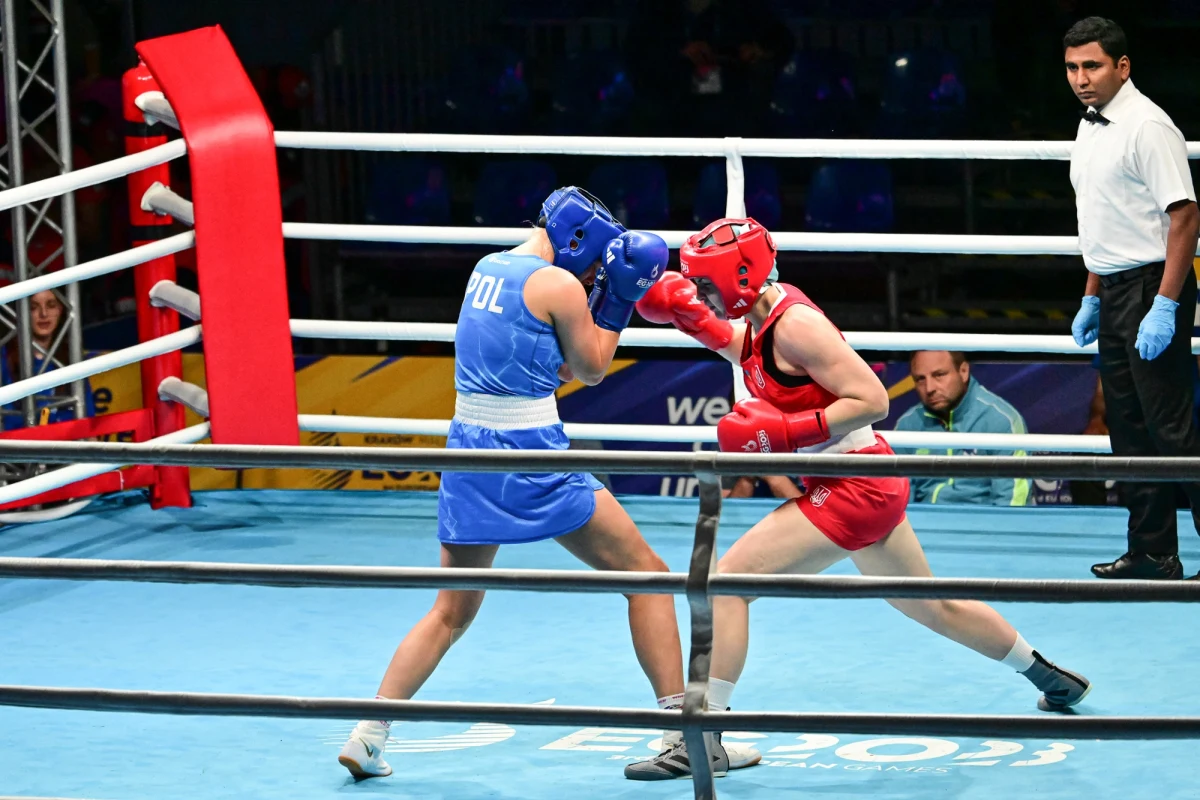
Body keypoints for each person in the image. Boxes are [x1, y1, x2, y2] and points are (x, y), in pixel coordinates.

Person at [632, 217, 1091, 779]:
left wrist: (784, 432)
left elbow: (872, 398)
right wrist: (696, 321)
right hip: (858, 482)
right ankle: (1048, 676)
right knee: (933, 607)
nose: (701, 294)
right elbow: (749, 352)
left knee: (726, 583)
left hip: (853, 484)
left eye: (706, 286)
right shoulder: (760, 315)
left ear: (741, 275)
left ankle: (705, 739)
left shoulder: (796, 325)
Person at [336, 188, 757, 781]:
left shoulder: (486, 269)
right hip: (530, 453)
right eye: (590, 262)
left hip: (468, 452)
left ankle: (368, 732)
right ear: (578, 240)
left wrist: (599, 301)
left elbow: (545, 366)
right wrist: (616, 301)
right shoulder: (557, 285)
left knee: (450, 612)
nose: (588, 273)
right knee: (648, 577)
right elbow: (590, 369)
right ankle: (684, 735)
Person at [1064, 17, 1200, 580]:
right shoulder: (1090, 127)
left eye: (1091, 65)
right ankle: (1153, 552)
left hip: (1152, 286)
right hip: (1115, 286)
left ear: (1122, 66)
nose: (1080, 78)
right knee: (1128, 428)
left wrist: (1166, 305)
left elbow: (1186, 216)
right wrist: (1092, 293)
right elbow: (1104, 224)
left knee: (1172, 430)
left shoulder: (1148, 126)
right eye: (1072, 67)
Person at [894, 350, 1030, 506]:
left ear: (964, 371)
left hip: (982, 526)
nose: (929, 388)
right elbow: (898, 504)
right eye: (920, 379)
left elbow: (1012, 503)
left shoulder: (1002, 420)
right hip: (922, 527)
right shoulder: (907, 426)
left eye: (939, 375)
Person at [0, 289, 95, 429]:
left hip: (64, 449)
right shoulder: (4, 359)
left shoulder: (73, 360)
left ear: (61, 309)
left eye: (51, 305)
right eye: (33, 307)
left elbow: (89, 428)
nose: (43, 314)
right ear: (21, 312)